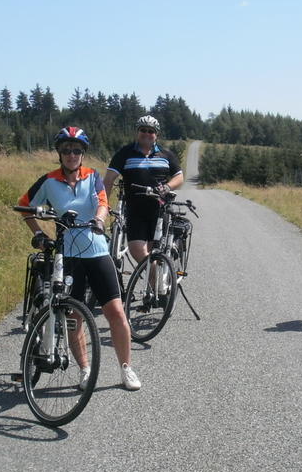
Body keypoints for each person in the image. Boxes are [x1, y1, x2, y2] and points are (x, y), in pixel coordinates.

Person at [18, 126, 141, 390]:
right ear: (59, 154)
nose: (71, 155)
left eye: (76, 150)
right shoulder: (49, 181)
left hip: (97, 251)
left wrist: (99, 219)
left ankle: (126, 369)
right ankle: (85, 370)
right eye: (66, 150)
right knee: (74, 316)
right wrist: (38, 232)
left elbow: (102, 202)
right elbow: (25, 205)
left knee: (116, 313)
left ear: (83, 153)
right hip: (69, 256)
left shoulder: (93, 176)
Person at [103, 115, 184, 265]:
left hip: (159, 211)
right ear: (137, 132)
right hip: (135, 211)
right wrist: (104, 205)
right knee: (137, 250)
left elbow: (179, 177)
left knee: (156, 254)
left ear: (156, 135)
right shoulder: (125, 153)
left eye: (150, 131)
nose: (146, 134)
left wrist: (167, 187)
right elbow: (108, 180)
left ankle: (157, 286)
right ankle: (157, 283)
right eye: (143, 130)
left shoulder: (166, 154)